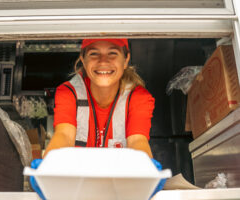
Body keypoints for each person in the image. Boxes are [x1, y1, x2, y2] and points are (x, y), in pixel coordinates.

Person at [30, 39, 165, 199]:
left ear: (126, 59)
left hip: (121, 191)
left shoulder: (139, 97)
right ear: (83, 58)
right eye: (94, 53)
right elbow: (64, 136)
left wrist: (145, 172)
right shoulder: (68, 92)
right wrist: (48, 170)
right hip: (74, 190)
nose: (103, 62)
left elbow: (137, 141)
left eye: (112, 53)